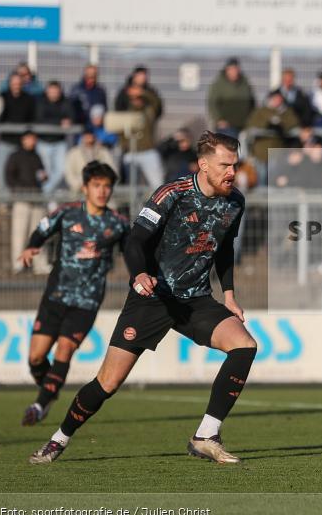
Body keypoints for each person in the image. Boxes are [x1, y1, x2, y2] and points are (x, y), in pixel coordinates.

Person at [28, 131, 255, 465]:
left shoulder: (234, 202)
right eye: (224, 165)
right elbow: (135, 240)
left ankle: (206, 435)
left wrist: (230, 296)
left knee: (244, 346)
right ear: (203, 164)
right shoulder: (172, 193)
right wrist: (139, 275)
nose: (232, 173)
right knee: (108, 382)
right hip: (153, 297)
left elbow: (223, 252)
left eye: (234, 165)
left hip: (195, 300)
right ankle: (58, 439)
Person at [19, 162, 128, 426]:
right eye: (97, 185)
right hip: (55, 296)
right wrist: (32, 247)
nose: (102, 191)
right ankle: (51, 390)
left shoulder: (118, 223)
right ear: (85, 187)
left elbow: (133, 253)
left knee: (65, 348)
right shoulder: (67, 213)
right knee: (35, 357)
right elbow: (42, 230)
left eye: (107, 186)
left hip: (87, 302)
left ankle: (40, 404)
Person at [6, 131, 49, 274]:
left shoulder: (36, 156)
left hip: (37, 198)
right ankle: (18, 263)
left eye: (34, 138)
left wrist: (44, 177)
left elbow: (42, 174)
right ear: (23, 139)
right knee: (19, 233)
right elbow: (9, 177)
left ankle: (40, 264)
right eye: (30, 138)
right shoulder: (15, 156)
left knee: (39, 233)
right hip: (22, 200)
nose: (33, 141)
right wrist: (19, 191)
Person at [34, 81, 74, 192]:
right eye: (51, 91)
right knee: (46, 172)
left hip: (59, 142)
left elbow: (71, 117)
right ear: (47, 91)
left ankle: (45, 194)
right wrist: (59, 122)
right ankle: (49, 200)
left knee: (61, 170)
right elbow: (40, 120)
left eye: (56, 91)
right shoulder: (40, 102)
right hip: (43, 142)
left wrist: (67, 121)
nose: (54, 93)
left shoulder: (65, 102)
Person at [207, 58, 255, 135]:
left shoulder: (245, 83)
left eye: (236, 68)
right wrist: (219, 120)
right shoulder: (219, 84)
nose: (234, 71)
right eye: (231, 69)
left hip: (244, 124)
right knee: (231, 145)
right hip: (226, 126)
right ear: (227, 70)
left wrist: (252, 118)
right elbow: (212, 103)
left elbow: (252, 101)